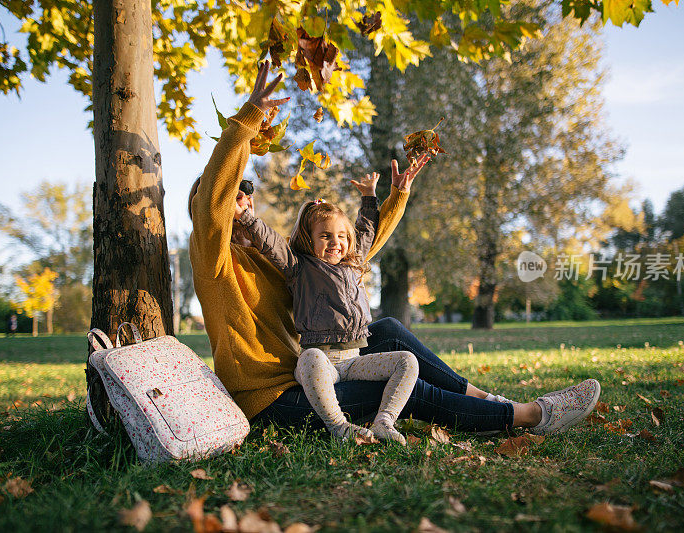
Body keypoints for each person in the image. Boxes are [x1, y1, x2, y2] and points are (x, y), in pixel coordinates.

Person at [188, 61, 600, 439]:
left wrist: (397, 195)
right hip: (275, 401)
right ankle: (528, 417)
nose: (243, 197)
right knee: (400, 388)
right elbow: (212, 204)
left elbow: (352, 257)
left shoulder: (271, 257)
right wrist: (246, 123)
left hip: (314, 371)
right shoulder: (214, 261)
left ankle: (483, 399)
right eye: (233, 193)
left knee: (384, 331)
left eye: (247, 192)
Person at [234, 169, 430, 445]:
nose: (335, 243)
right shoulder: (298, 267)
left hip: (353, 361)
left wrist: (369, 196)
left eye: (341, 236)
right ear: (308, 239)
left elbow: (367, 229)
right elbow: (271, 242)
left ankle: (384, 421)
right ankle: (339, 427)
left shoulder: (353, 261)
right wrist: (245, 217)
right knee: (309, 357)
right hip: (322, 362)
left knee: (407, 361)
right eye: (325, 236)